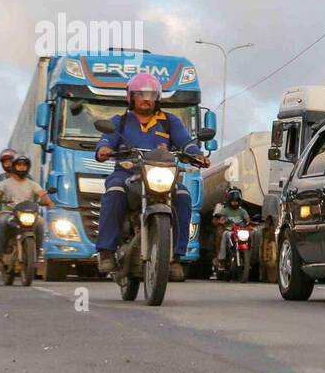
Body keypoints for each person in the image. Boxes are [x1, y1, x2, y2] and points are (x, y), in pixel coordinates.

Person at [94, 73, 205, 279]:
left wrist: (196, 154)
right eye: (140, 94)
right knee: (114, 190)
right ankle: (106, 251)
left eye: (151, 95)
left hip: (162, 174)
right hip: (127, 174)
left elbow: (185, 142)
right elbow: (106, 140)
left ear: (157, 97)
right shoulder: (120, 121)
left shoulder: (170, 122)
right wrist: (104, 149)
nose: (146, 99)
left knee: (182, 195)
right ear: (131, 97)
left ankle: (176, 256)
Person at [0, 154, 53, 269]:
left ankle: (36, 253)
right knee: (2, 221)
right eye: (19, 165)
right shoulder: (6, 183)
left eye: (24, 165)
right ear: (14, 167)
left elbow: (42, 194)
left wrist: (49, 203)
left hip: (27, 213)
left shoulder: (32, 184)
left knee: (40, 224)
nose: (22, 167)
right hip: (10, 212)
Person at [213, 187, 251, 272]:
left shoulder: (242, 211)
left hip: (240, 231)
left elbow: (247, 219)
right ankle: (221, 258)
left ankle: (247, 260)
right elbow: (216, 219)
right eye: (233, 201)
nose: (234, 203)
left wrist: (248, 223)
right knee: (224, 235)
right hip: (229, 231)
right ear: (229, 201)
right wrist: (220, 221)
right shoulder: (224, 210)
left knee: (249, 236)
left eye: (236, 201)